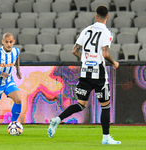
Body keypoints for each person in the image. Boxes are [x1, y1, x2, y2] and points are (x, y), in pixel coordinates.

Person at [48, 5, 121, 145]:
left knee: (81, 104)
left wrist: (86, 60)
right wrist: (114, 62)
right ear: (108, 17)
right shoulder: (106, 32)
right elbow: (105, 53)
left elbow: (75, 50)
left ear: (95, 16)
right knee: (105, 106)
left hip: (85, 72)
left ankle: (57, 120)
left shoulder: (86, 30)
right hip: (98, 73)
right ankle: (106, 138)